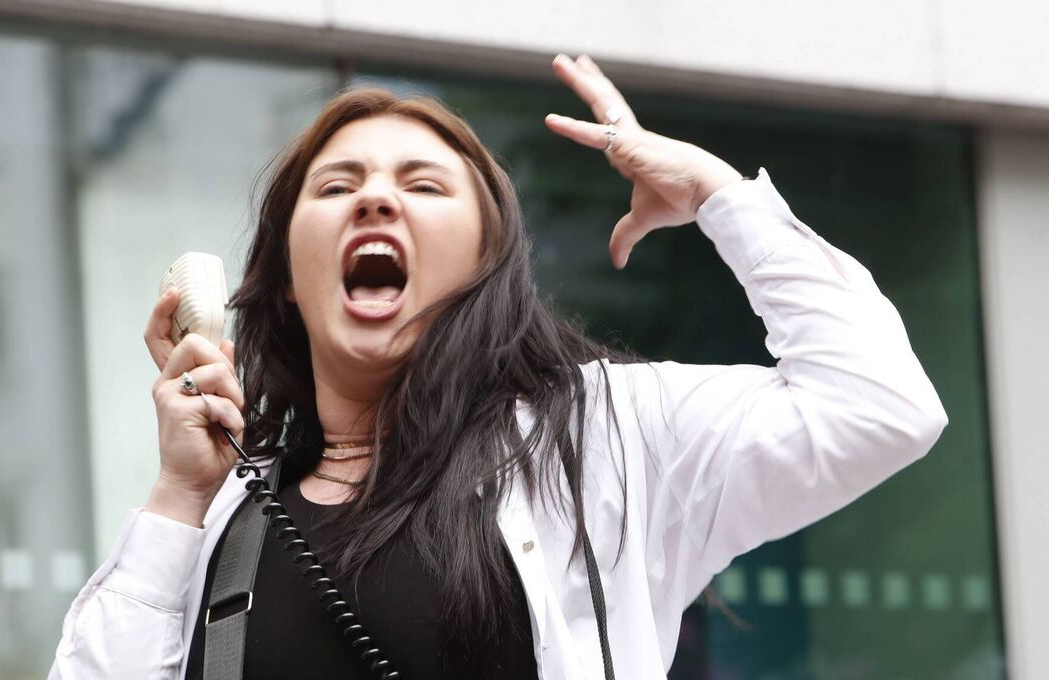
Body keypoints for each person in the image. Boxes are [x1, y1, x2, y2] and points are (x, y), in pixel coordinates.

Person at [48, 54, 947, 680]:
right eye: (336, 187)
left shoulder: (608, 440)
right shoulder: (232, 511)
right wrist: (177, 497)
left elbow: (881, 405)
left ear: (484, 263)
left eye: (423, 185)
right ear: (284, 281)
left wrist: (718, 196)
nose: (374, 198)